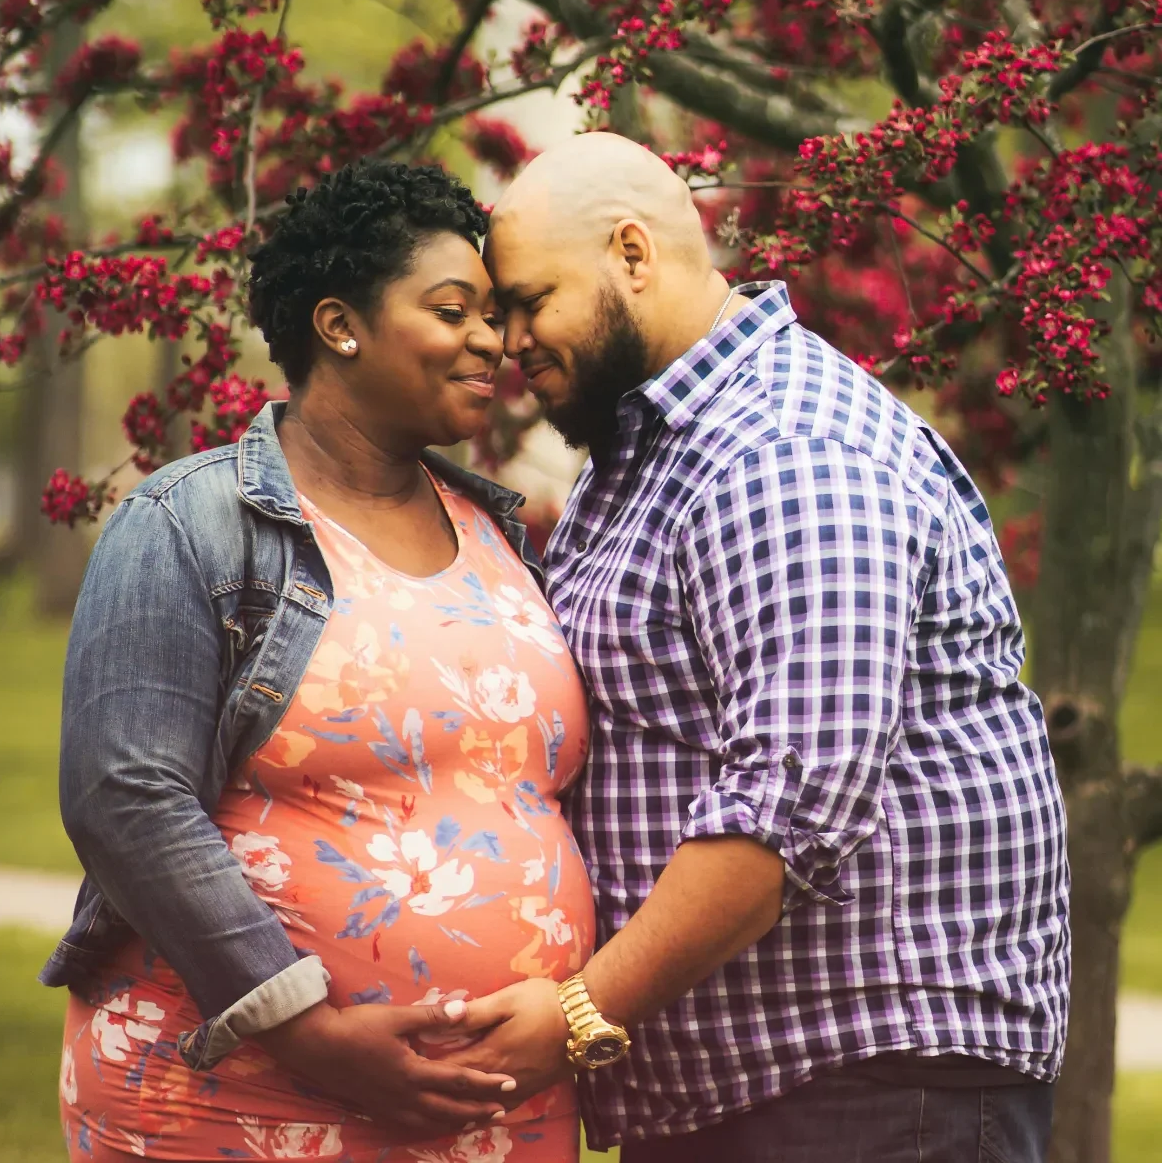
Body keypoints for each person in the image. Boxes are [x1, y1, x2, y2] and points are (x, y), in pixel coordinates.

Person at [442, 133, 1071, 1163]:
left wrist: (572, 1011)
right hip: (769, 1089)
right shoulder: (654, 446)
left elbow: (784, 810)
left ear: (631, 256)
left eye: (527, 299)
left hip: (864, 1086)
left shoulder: (783, 448)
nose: (507, 339)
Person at [41, 160, 595, 1162]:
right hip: (239, 1096)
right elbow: (124, 794)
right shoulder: (190, 522)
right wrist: (303, 1025)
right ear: (339, 325)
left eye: (495, 311)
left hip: (490, 1115)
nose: (493, 339)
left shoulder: (503, 535)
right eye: (453, 308)